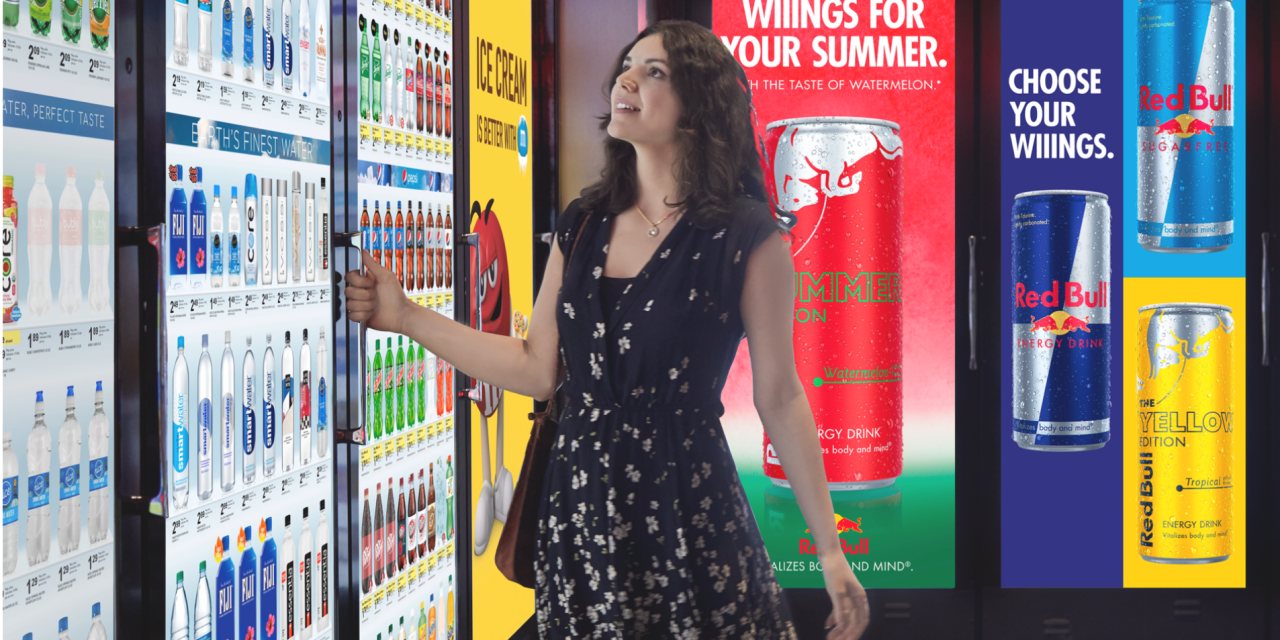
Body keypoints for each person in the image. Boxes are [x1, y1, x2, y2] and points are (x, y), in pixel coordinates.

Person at [345, 19, 870, 640]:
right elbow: (535, 366)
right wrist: (405, 317)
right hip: (582, 508)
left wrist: (831, 551)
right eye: (628, 64)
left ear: (700, 109)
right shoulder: (584, 223)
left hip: (686, 507)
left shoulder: (747, 235)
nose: (627, 78)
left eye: (655, 72)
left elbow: (780, 398)